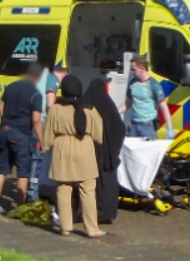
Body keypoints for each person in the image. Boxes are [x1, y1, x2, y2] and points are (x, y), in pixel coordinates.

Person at [44, 74, 105, 238]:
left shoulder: (56, 109)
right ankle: (91, 228)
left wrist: (45, 146)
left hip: (62, 150)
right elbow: (98, 134)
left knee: (63, 190)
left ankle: (65, 227)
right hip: (84, 150)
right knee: (88, 191)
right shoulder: (89, 109)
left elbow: (48, 132)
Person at [0, 62, 44, 215]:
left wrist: (7, 122)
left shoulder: (11, 87)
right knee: (23, 171)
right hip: (22, 135)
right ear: (38, 77)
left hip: (5, 131)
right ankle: (20, 208)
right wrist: (42, 141)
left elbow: (0, 108)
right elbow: (36, 120)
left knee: (2, 169)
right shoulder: (35, 94)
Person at [83, 77, 126, 224]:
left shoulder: (86, 105)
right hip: (108, 154)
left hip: (91, 150)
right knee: (108, 182)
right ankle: (107, 212)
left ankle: (88, 211)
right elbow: (119, 127)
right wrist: (113, 148)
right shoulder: (108, 105)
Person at [28, 63, 60, 203]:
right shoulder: (52, 78)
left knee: (34, 159)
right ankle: (34, 194)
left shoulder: (36, 77)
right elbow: (49, 104)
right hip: (42, 122)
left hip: (32, 120)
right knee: (39, 157)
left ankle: (33, 190)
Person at [122, 56, 175, 139]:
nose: (131, 72)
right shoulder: (132, 83)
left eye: (134, 69)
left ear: (142, 68)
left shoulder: (154, 85)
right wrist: (115, 111)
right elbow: (128, 103)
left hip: (148, 126)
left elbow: (164, 107)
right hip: (133, 126)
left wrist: (170, 128)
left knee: (149, 151)